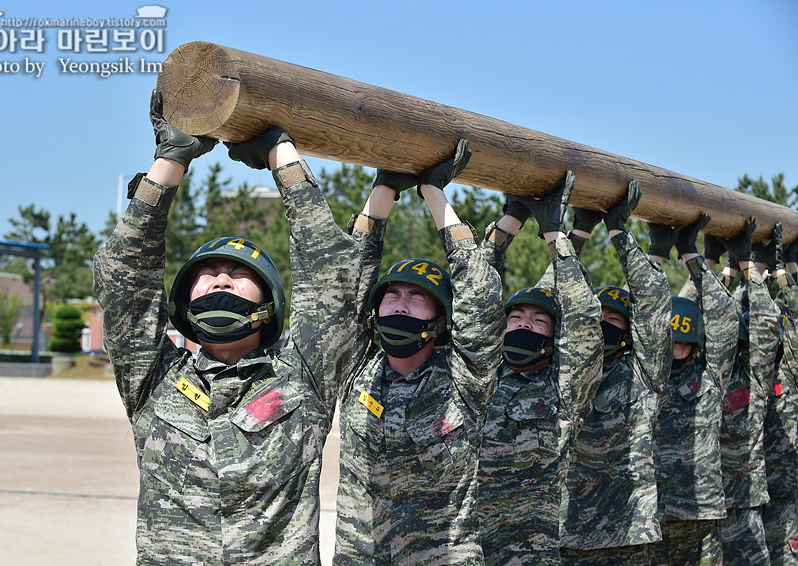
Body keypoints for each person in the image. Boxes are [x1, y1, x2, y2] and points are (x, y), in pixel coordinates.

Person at [93, 90, 362, 565]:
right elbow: (122, 280)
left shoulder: (303, 379)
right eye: (206, 273)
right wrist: (169, 162)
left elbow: (334, 276)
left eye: (240, 274)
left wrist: (282, 153)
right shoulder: (155, 382)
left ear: (270, 303)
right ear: (184, 301)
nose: (220, 278)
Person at [333, 140, 506, 565]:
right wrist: (385, 187)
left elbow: (480, 298)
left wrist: (434, 191)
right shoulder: (358, 370)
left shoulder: (464, 379)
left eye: (418, 297)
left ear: (440, 319)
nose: (401, 303)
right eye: (392, 293)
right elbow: (349, 284)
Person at [477, 171, 604, 566]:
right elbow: (472, 292)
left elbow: (580, 315)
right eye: (516, 316)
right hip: (465, 549)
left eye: (539, 320)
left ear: (554, 337)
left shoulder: (563, 389)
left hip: (529, 554)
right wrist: (509, 223)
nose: (525, 323)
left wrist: (556, 235)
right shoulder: (481, 374)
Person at [559, 180, 673, 565]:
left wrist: (620, 234)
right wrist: (575, 235)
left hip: (625, 531)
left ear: (629, 330)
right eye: (597, 317)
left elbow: (654, 302)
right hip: (567, 530)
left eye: (613, 319)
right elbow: (554, 296)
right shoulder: (565, 367)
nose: (602, 325)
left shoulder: (642, 371)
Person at [645, 214, 739, 566]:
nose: (672, 350)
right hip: (648, 515)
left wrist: (692, 257)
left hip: (698, 513)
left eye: (681, 343)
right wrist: (655, 253)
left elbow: (724, 316)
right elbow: (645, 307)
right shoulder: (644, 376)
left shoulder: (710, 379)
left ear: (694, 345)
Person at [708, 219, 781, 565]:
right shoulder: (702, 370)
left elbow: (765, 318)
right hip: (699, 505)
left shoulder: (755, 373)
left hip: (742, 505)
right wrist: (724, 268)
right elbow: (699, 314)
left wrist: (753, 269)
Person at [759, 234, 798, 566]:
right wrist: (752, 271)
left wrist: (785, 276)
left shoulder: (790, 371)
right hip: (749, 500)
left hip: (789, 504)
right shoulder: (741, 371)